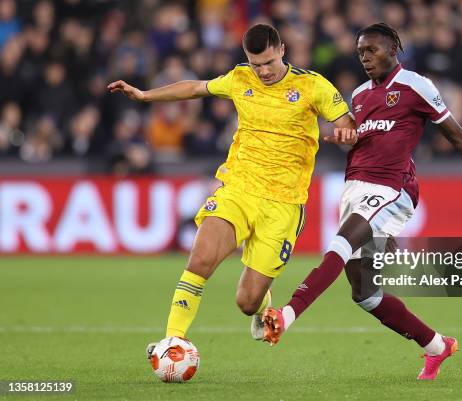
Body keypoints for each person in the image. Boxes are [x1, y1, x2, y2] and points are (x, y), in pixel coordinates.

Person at [262, 23, 462, 380]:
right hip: (355, 186)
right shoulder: (360, 94)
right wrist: (345, 137)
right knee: (364, 294)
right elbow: (363, 139)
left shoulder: (416, 86)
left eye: (372, 50)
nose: (365, 58)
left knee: (337, 245)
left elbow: (457, 138)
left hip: (391, 187)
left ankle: (285, 316)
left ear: (394, 47)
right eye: (360, 53)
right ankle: (437, 346)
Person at [107, 24, 356, 353]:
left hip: (283, 203)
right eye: (256, 64)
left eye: (268, 62)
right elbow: (197, 87)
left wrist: (345, 133)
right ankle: (173, 340)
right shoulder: (240, 78)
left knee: (247, 302)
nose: (263, 71)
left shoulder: (312, 86)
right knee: (200, 259)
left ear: (282, 50)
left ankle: (262, 300)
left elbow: (346, 122)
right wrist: (145, 95)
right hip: (238, 187)